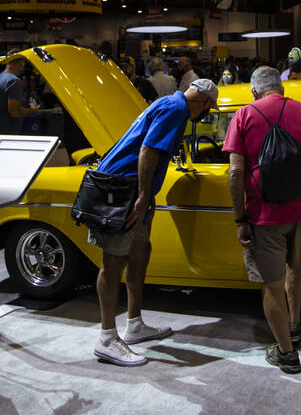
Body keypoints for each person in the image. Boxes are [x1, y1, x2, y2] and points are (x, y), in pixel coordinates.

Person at [88, 78, 219, 366]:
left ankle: (134, 324)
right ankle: (107, 339)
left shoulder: (168, 102)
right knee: (113, 263)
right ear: (204, 102)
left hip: (130, 189)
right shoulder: (176, 109)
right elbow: (148, 150)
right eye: (210, 109)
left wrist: (147, 197)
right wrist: (144, 195)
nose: (207, 115)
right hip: (122, 190)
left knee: (138, 254)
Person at [223, 67, 301, 374]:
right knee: (296, 263)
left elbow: (236, 172)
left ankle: (286, 354)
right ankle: (295, 325)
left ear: (254, 91)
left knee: (271, 283)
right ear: (280, 88)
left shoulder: (244, 115)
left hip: (266, 214)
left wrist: (240, 217)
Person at [0, 53, 38, 142]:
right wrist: (32, 111)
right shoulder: (13, 81)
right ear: (21, 64)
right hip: (6, 132)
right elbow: (15, 111)